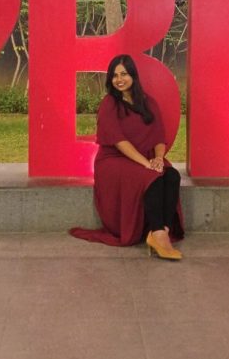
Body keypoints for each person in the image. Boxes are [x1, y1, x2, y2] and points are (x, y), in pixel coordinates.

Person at [70, 54, 184, 260]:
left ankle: (162, 232)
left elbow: (159, 137)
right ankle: (158, 234)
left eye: (123, 74)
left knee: (172, 175)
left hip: (145, 158)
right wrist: (146, 164)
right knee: (152, 178)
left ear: (133, 75)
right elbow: (119, 142)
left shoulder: (148, 103)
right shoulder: (109, 104)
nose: (119, 79)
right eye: (114, 75)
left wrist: (158, 158)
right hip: (114, 160)